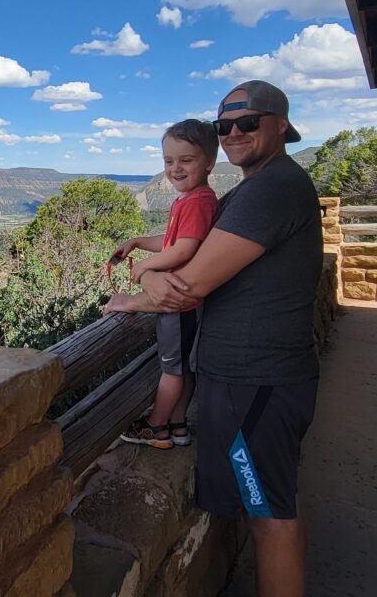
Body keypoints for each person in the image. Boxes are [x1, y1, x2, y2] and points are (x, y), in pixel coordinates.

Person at [104, 80, 322, 597]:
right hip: (249, 379)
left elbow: (189, 286)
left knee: (270, 515)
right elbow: (192, 256)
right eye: (224, 127)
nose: (234, 134)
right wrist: (151, 262)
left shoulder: (271, 188)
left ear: (282, 126)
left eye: (247, 122)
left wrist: (140, 282)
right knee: (266, 505)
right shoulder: (260, 187)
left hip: (257, 382)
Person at [108, 119, 218, 449]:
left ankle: (156, 427)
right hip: (188, 301)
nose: (175, 169)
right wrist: (139, 242)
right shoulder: (192, 199)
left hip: (178, 302)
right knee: (183, 368)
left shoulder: (198, 201)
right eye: (169, 161)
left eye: (186, 160)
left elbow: (185, 249)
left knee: (172, 371)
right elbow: (173, 242)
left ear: (209, 162)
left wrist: (143, 269)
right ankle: (178, 425)